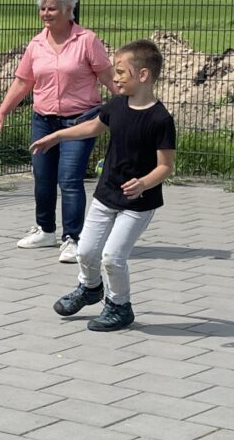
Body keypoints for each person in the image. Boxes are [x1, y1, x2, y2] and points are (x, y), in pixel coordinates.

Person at [30, 39, 175, 332]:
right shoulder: (117, 105)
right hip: (106, 193)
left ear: (143, 75)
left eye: (121, 71)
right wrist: (58, 136)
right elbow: (94, 126)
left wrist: (143, 183)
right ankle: (90, 288)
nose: (114, 77)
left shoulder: (160, 119)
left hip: (138, 202)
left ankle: (120, 306)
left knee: (113, 257)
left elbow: (166, 166)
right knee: (85, 252)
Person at [0, 0, 118, 263]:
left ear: (68, 9)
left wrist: (131, 106)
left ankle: (73, 238)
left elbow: (108, 76)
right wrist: (2, 112)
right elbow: (23, 81)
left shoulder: (86, 40)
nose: (46, 14)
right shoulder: (36, 44)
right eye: (43, 9)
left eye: (52, 9)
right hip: (43, 120)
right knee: (43, 177)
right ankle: (45, 230)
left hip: (79, 121)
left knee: (69, 179)